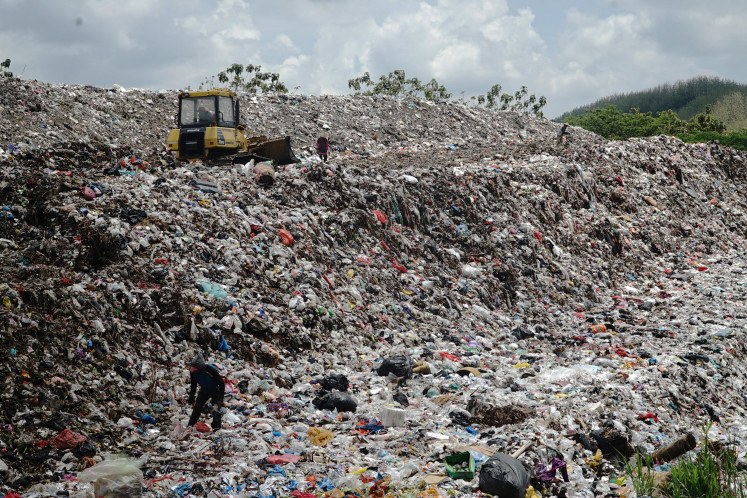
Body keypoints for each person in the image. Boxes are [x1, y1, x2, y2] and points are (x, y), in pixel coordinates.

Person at [187, 354, 225, 429]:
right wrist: (191, 397)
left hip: (215, 391)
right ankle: (191, 425)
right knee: (197, 407)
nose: (193, 370)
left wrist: (221, 398)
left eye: (195, 368)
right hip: (204, 390)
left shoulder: (209, 369)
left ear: (200, 367)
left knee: (216, 410)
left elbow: (221, 383)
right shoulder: (193, 372)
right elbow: (193, 385)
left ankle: (216, 428)